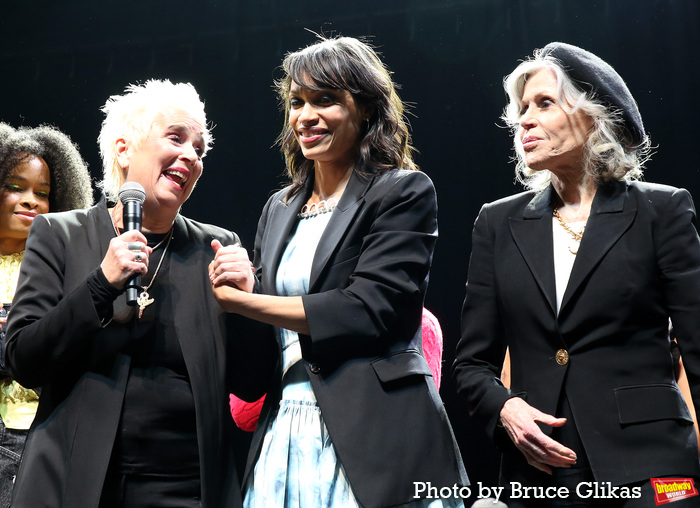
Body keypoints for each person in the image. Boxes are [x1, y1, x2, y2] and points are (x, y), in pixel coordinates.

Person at [209, 36, 468, 508]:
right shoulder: (279, 207)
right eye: (297, 102)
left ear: (366, 108)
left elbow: (369, 311)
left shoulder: (402, 191)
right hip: (285, 426)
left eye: (325, 99)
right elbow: (261, 351)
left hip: (377, 432)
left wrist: (244, 301)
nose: (305, 115)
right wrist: (242, 294)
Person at [4, 80, 276, 508]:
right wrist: (101, 283)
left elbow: (251, 382)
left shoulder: (217, 247)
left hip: (188, 486)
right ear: (124, 149)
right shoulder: (59, 234)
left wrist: (248, 303)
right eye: (175, 138)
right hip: (77, 482)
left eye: (200, 150)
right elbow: (24, 360)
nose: (190, 156)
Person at [453, 42, 700, 506]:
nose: (523, 119)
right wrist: (505, 408)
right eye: (521, 108)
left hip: (653, 470)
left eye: (544, 103)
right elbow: (472, 365)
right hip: (542, 473)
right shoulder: (496, 222)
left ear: (594, 116)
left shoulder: (661, 210)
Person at [0, 122, 92, 508]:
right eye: (15, 186)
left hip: (32, 431)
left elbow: (47, 350)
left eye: (43, 193)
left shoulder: (61, 266)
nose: (31, 200)